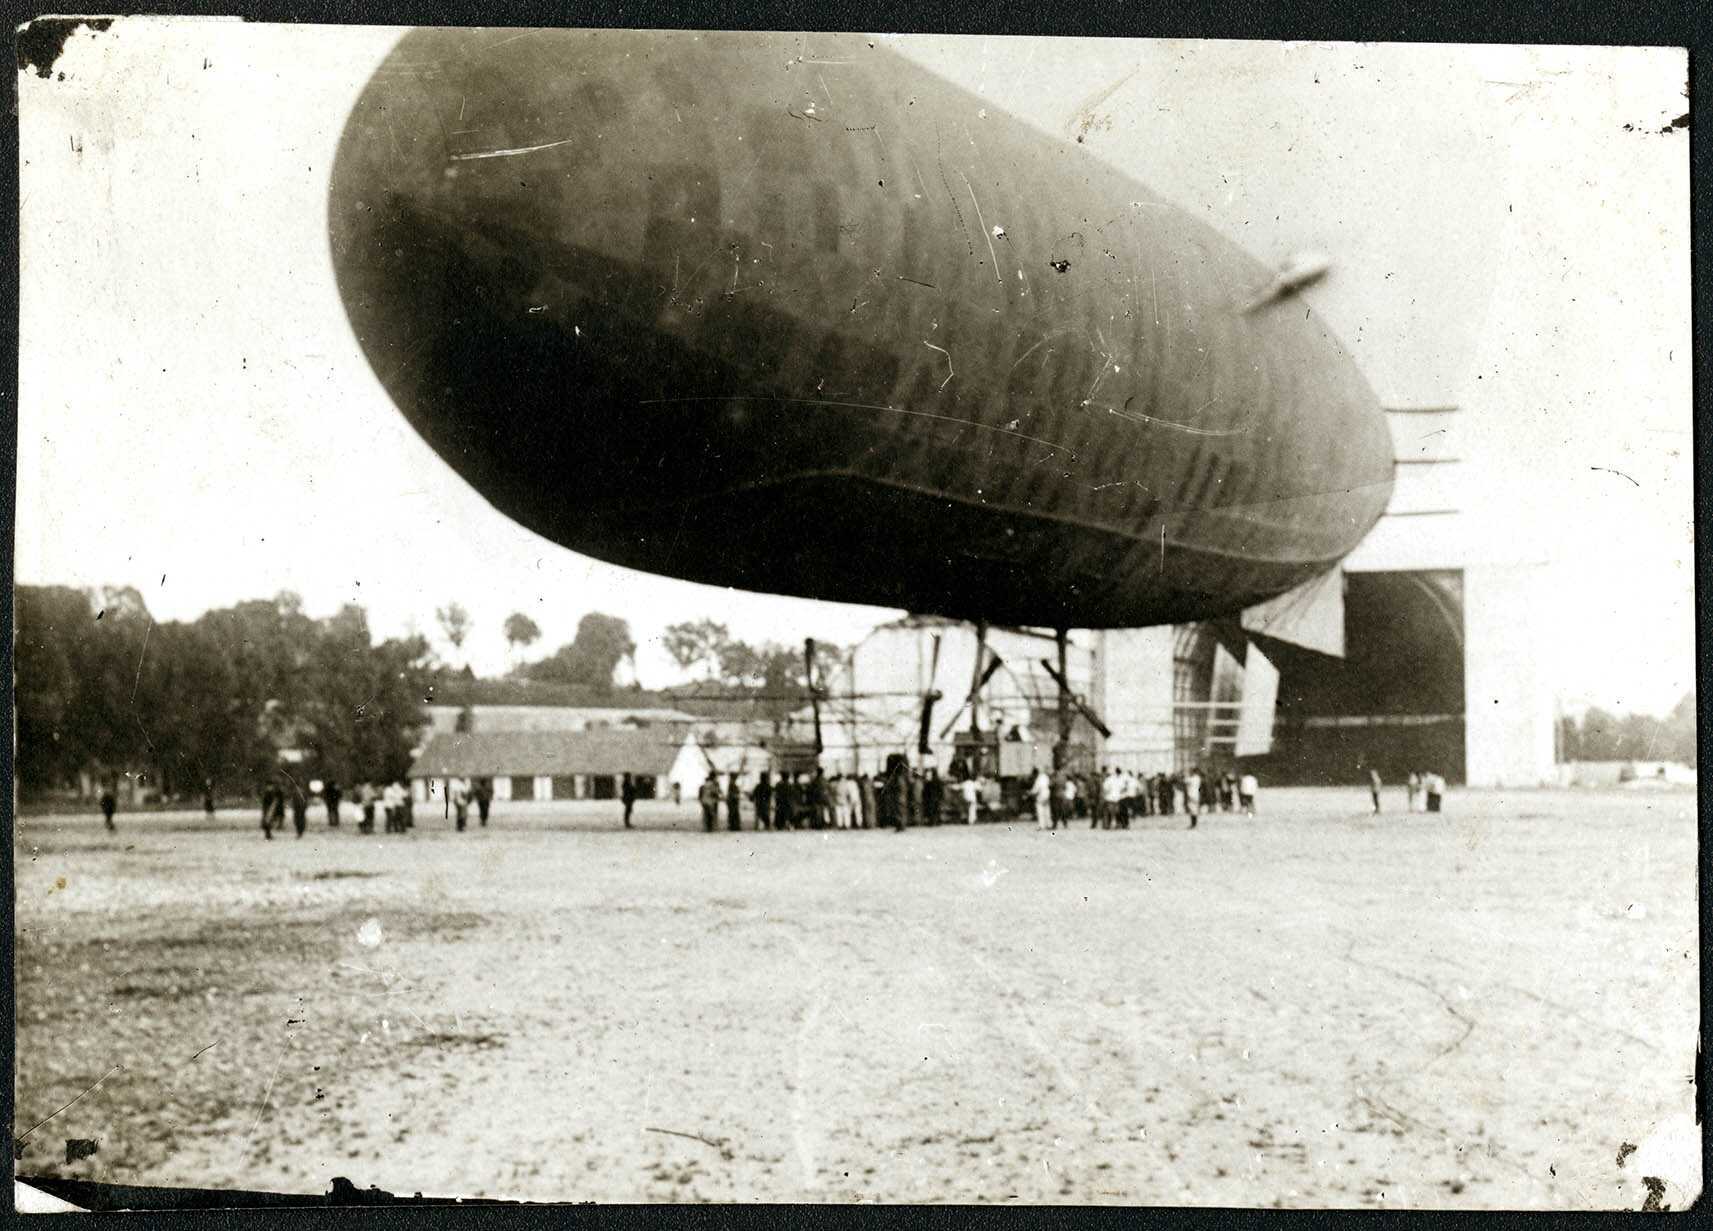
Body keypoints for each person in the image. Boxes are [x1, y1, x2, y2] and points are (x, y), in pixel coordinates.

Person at [1185, 765, 1203, 829]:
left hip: (1192, 795)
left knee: (1192, 809)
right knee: (1194, 809)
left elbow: (1185, 781)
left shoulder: (1193, 778)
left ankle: (1193, 824)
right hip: (1196, 794)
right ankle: (1194, 823)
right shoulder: (1198, 778)